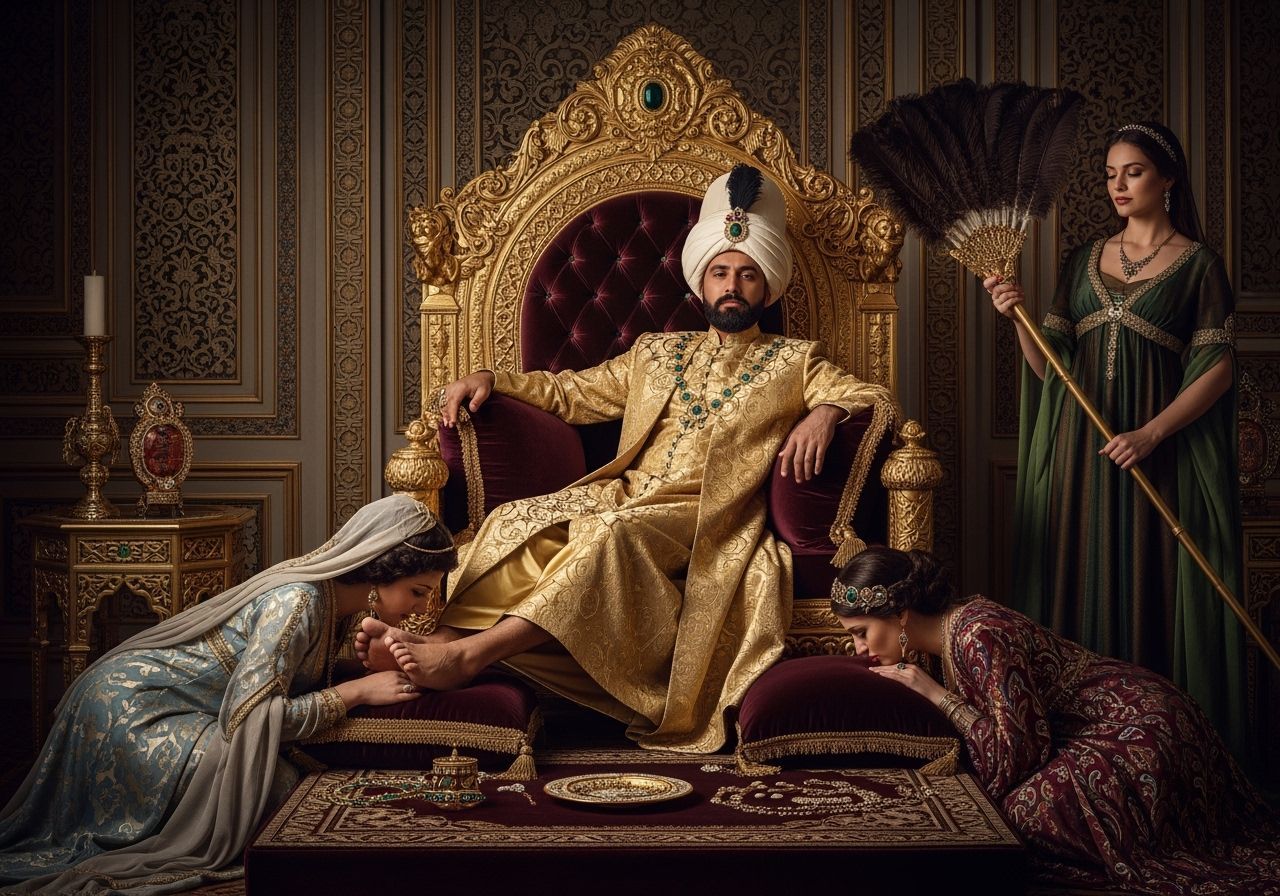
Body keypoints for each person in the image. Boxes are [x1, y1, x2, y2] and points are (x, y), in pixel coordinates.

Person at [359, 164, 895, 753]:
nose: (732, 286)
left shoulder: (796, 361)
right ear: (701, 284)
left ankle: (470, 655)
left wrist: (826, 412)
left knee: (606, 536)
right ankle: (439, 641)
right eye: (720, 273)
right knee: (517, 522)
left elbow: (872, 397)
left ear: (766, 288)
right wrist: (492, 378)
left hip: (705, 519)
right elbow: (569, 392)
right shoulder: (655, 353)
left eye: (747, 275)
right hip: (623, 494)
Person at [0, 494, 456, 894]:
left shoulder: (338, 605)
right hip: (133, 707)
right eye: (417, 592)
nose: (421, 607)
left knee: (278, 786)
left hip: (185, 709)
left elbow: (290, 682)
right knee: (274, 790)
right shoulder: (298, 602)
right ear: (382, 570)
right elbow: (247, 718)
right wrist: (355, 693)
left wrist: (364, 671)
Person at [985, 121, 1244, 756]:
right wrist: (1015, 316)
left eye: (1133, 171)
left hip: (1158, 454)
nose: (1118, 185)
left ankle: (1160, 745)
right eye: (1109, 174)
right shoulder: (1083, 260)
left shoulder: (1199, 266)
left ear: (1168, 178)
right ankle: (1084, 741)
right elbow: (1051, 371)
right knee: (1082, 572)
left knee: (1152, 582)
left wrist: (1151, 433)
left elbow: (1217, 370)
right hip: (1085, 454)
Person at [831, 545, 1279, 895]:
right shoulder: (946, 638)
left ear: (900, 614)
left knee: (1021, 815)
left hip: (1141, 726)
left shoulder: (977, 635)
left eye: (861, 632)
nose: (859, 649)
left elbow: (1020, 754)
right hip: (1092, 727)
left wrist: (937, 696)